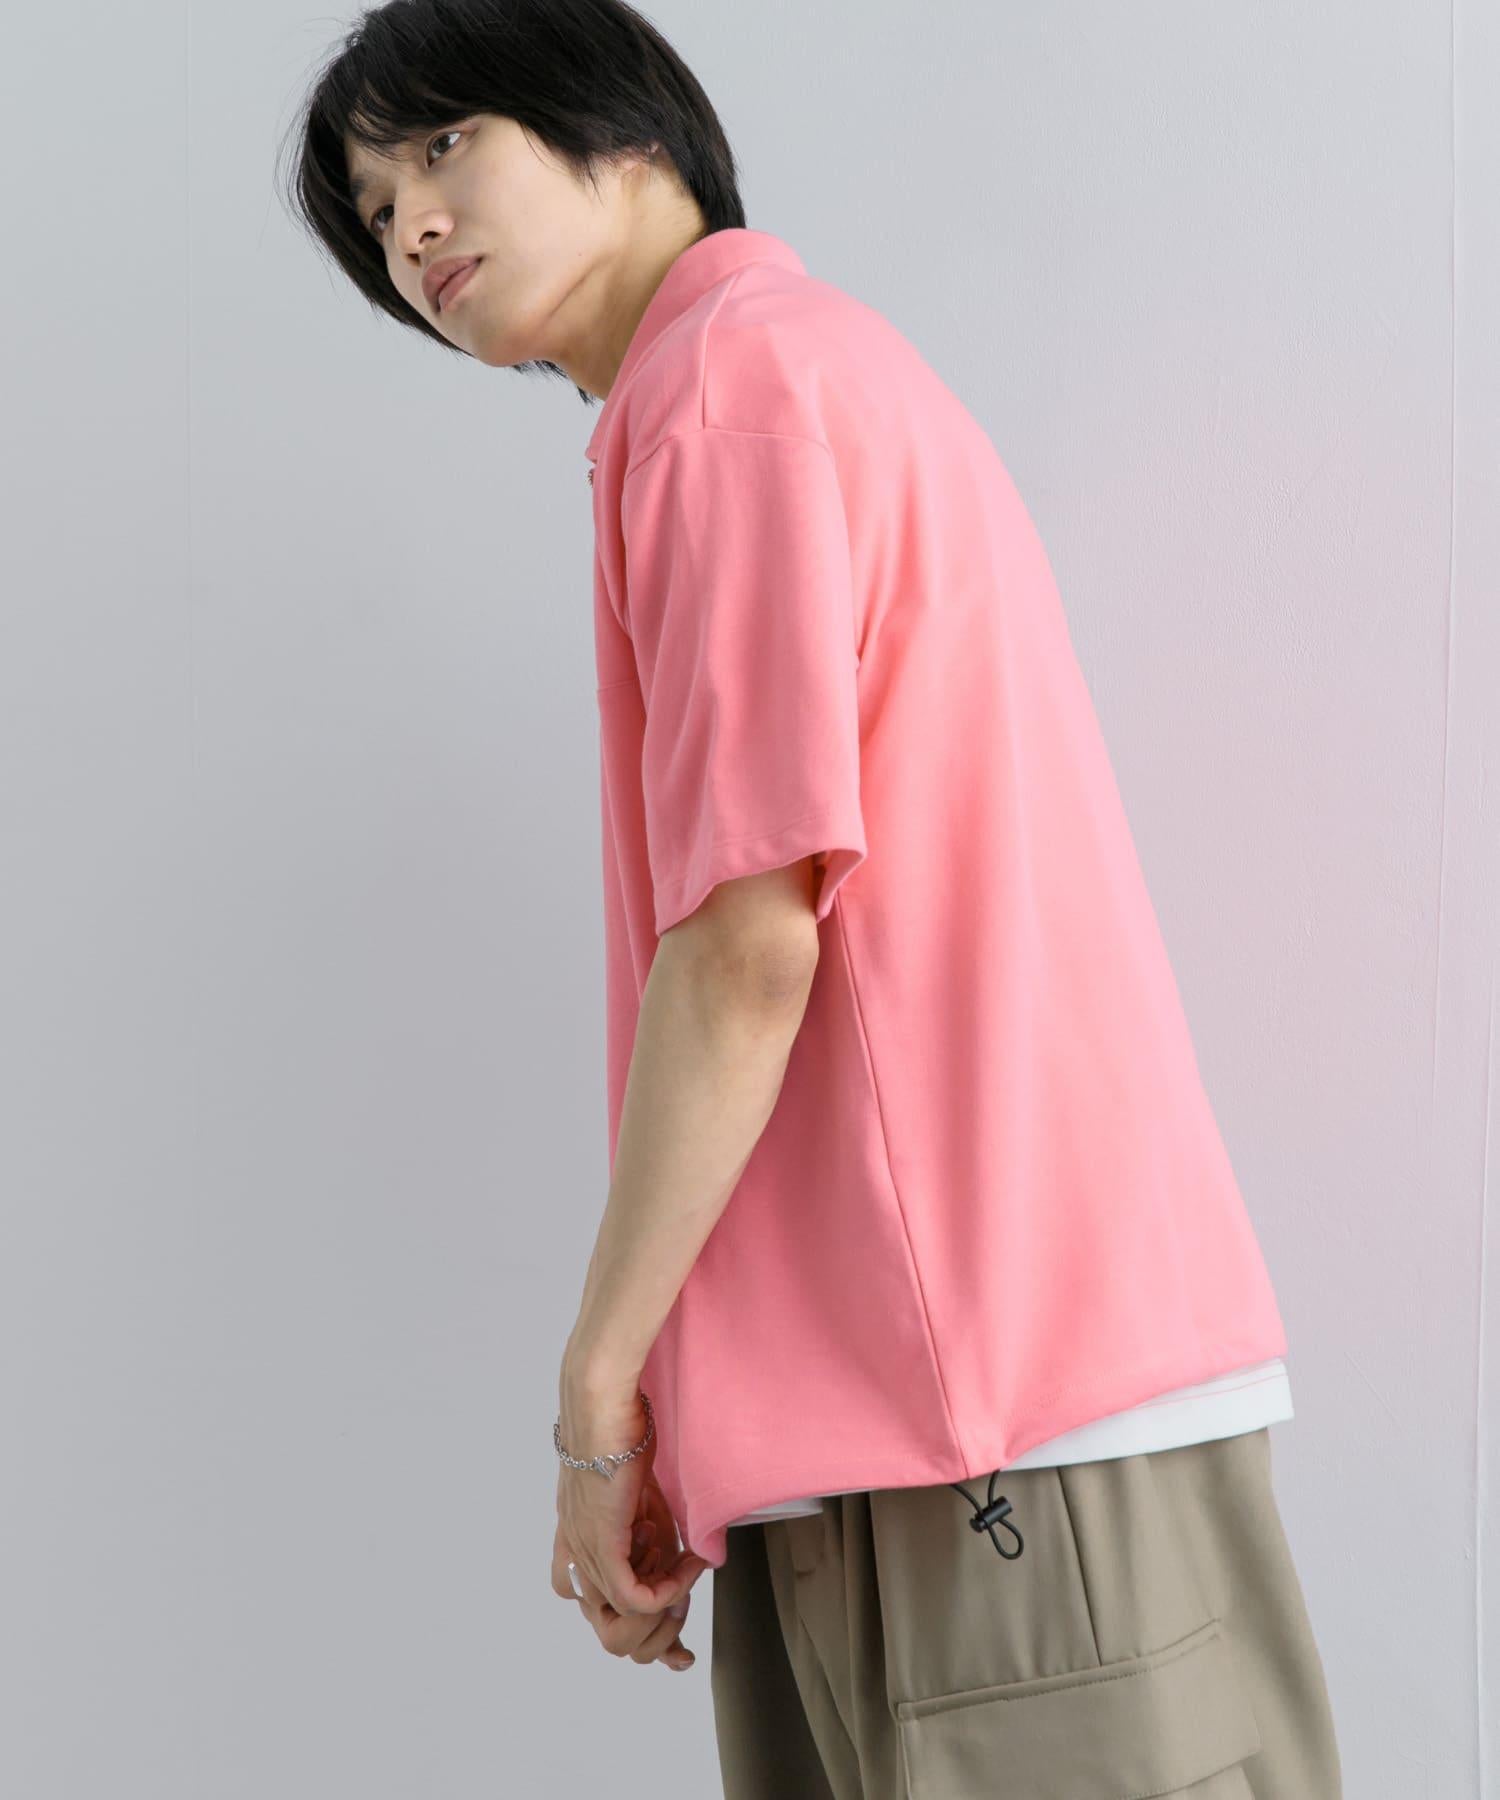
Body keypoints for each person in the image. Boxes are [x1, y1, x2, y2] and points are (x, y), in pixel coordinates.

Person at [285, 2, 1344, 1792]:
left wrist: (597, 1395)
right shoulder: (758, 378)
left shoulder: (728, 397)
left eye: (444, 146)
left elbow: (747, 946)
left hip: (984, 1435)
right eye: (377, 211)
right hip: (920, 1424)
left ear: (623, 125)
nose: (413, 229)